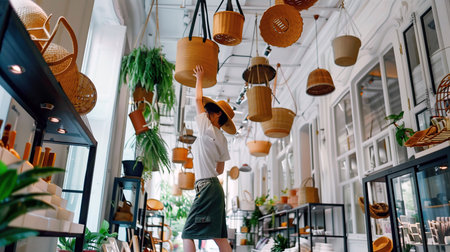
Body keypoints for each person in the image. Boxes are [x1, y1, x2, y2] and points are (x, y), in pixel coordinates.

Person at [182, 65, 236, 252]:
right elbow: (220, 170)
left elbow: (198, 99)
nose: (205, 112)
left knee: (187, 233)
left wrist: (199, 77)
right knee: (220, 238)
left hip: (206, 187)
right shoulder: (222, 139)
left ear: (218, 114)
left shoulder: (206, 128)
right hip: (214, 188)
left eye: (210, 111)